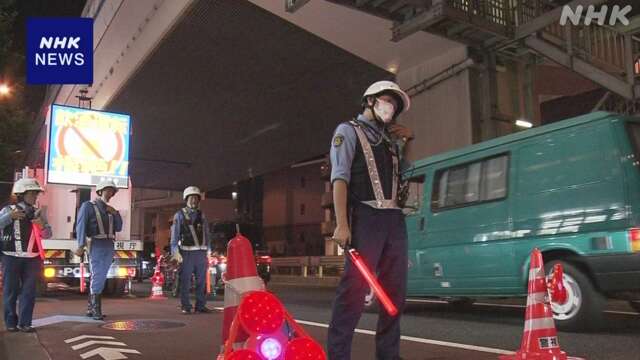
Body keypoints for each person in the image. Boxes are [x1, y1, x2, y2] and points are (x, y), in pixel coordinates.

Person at [327, 80, 414, 360]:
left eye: (395, 104)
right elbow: (340, 178)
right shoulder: (347, 131)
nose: (391, 107)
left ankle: (389, 355)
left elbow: (402, 174)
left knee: (395, 292)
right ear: (370, 101)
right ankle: (338, 356)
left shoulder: (390, 141)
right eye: (387, 100)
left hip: (393, 219)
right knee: (353, 291)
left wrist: (407, 142)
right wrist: (341, 224)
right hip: (365, 216)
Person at [0, 178, 51, 332]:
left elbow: (48, 234)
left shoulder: (38, 213)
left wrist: (42, 225)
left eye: (36, 193)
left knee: (29, 292)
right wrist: (11, 217)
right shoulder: (8, 210)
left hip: (32, 259)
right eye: (32, 193)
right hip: (11, 257)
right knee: (10, 291)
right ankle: (10, 323)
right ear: (22, 194)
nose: (35, 196)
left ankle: (25, 323)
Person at [74, 180, 122, 320]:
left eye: (112, 191)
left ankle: (91, 308)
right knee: (99, 275)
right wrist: (80, 245)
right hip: (96, 243)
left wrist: (116, 213)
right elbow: (81, 225)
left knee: (99, 275)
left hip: (108, 243)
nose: (110, 193)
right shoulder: (88, 206)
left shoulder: (110, 209)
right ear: (100, 191)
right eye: (107, 190)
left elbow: (118, 228)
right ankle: (95, 309)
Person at [170, 186, 212, 314]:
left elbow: (206, 233)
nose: (194, 200)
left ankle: (200, 305)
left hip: (201, 253)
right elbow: (174, 235)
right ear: (186, 199)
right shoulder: (179, 215)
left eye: (196, 198)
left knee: (201, 281)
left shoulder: (202, 215)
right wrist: (175, 252)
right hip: (186, 253)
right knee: (185, 280)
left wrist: (209, 250)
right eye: (191, 198)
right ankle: (186, 306)